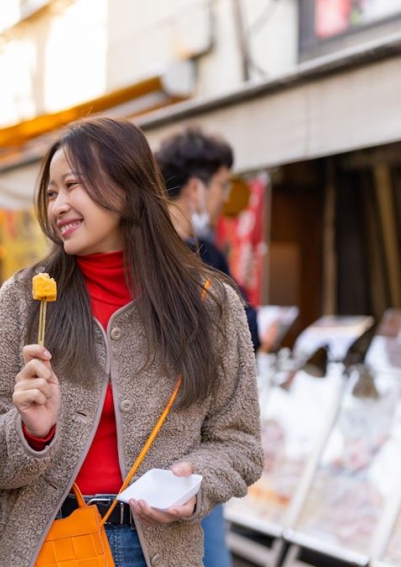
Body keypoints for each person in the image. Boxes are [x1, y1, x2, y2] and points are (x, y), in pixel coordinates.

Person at [0, 117, 263, 567]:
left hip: (156, 550)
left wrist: (196, 482)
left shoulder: (209, 303)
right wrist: (31, 430)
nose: (58, 206)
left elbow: (240, 443)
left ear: (128, 187)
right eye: (51, 193)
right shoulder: (24, 298)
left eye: (73, 186)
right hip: (39, 548)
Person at [155, 125, 262, 567]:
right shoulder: (202, 257)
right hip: (196, 446)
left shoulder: (147, 253)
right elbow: (246, 335)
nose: (222, 199)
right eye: (221, 186)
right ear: (195, 188)